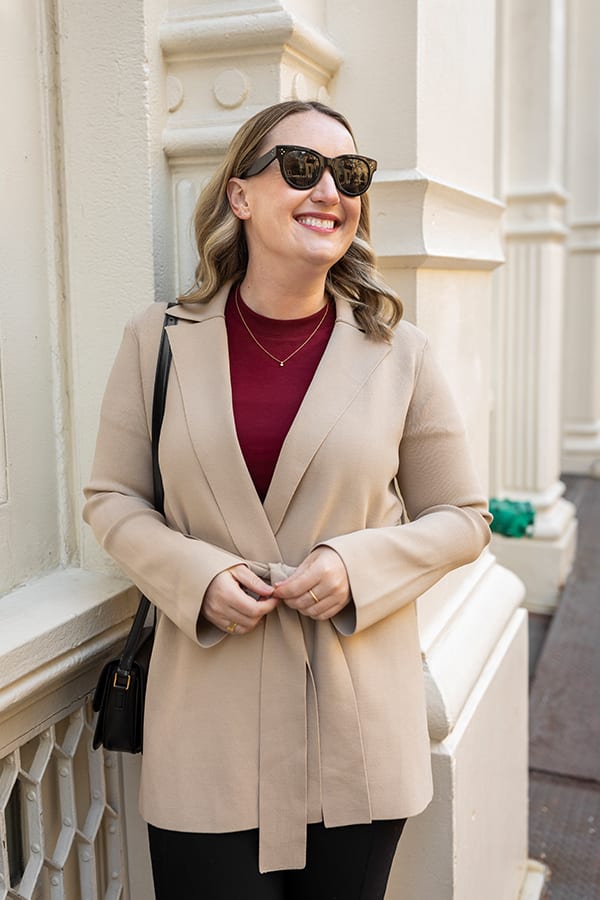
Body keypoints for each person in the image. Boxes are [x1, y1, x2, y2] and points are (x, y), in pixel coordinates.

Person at [83, 99, 491, 899]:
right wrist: (195, 577)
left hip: (360, 735)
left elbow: (464, 518)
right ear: (239, 195)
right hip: (207, 729)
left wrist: (356, 564)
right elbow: (111, 496)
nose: (329, 190)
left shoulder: (398, 352)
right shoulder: (157, 340)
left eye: (350, 173)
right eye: (301, 167)